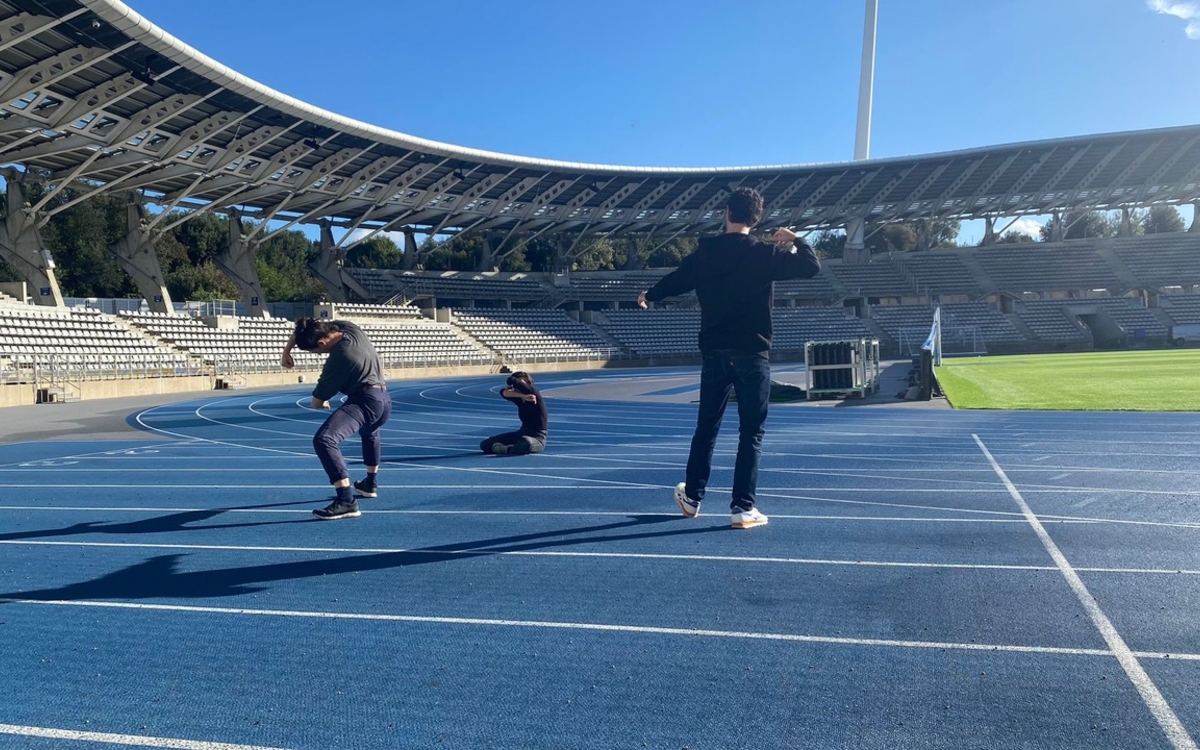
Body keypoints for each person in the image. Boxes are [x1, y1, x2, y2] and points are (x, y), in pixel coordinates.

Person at [637, 187, 820, 529]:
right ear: (758, 218)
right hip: (752, 352)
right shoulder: (765, 254)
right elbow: (811, 266)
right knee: (750, 432)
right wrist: (796, 238)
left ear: (726, 213)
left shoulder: (705, 253)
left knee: (706, 427)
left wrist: (650, 294)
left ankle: (692, 498)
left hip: (715, 352)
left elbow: (678, 280)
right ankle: (742, 507)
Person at [282, 317, 391, 520]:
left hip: (365, 401)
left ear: (322, 344)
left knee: (324, 439)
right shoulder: (350, 329)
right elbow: (305, 328)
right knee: (370, 432)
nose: (317, 355)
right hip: (384, 400)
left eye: (315, 352)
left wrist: (322, 401)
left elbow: (316, 401)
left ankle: (346, 500)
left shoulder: (340, 358)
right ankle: (370, 483)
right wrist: (287, 350)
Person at [480, 371, 547, 455]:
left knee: (526, 442)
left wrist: (513, 381)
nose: (520, 386)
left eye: (523, 383)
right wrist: (522, 396)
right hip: (521, 433)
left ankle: (506, 449)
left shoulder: (535, 394)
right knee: (485, 444)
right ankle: (512, 447)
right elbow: (503, 392)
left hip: (537, 438)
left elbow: (513, 381)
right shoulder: (520, 399)